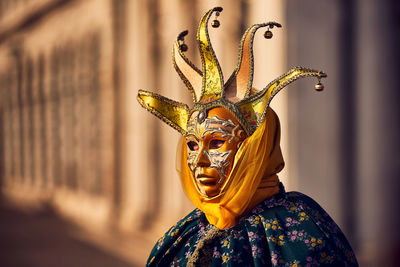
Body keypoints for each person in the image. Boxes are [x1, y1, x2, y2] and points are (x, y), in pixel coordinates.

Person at [137, 7, 358, 267]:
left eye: (217, 143)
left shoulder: (299, 231)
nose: (199, 161)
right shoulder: (182, 235)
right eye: (193, 145)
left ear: (255, 147)